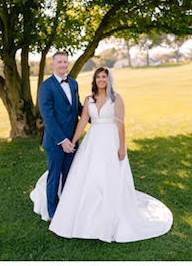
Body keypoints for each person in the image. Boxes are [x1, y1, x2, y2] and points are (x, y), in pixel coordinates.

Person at [30, 67, 173, 243]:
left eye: (104, 77)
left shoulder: (117, 98)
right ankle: (82, 212)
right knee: (88, 176)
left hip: (111, 141)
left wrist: (122, 148)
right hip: (93, 141)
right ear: (94, 80)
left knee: (109, 176)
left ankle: (110, 212)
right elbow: (82, 121)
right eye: (98, 77)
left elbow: (121, 124)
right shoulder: (89, 99)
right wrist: (73, 141)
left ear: (108, 79)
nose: (101, 80)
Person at [32, 51, 82, 224]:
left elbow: (78, 108)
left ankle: (67, 206)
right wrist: (63, 140)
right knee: (54, 176)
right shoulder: (46, 86)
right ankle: (52, 211)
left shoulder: (74, 83)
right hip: (55, 142)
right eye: (59, 62)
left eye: (65, 62)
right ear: (53, 64)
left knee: (70, 175)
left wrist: (97, 116)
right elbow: (48, 117)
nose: (63, 65)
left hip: (74, 140)